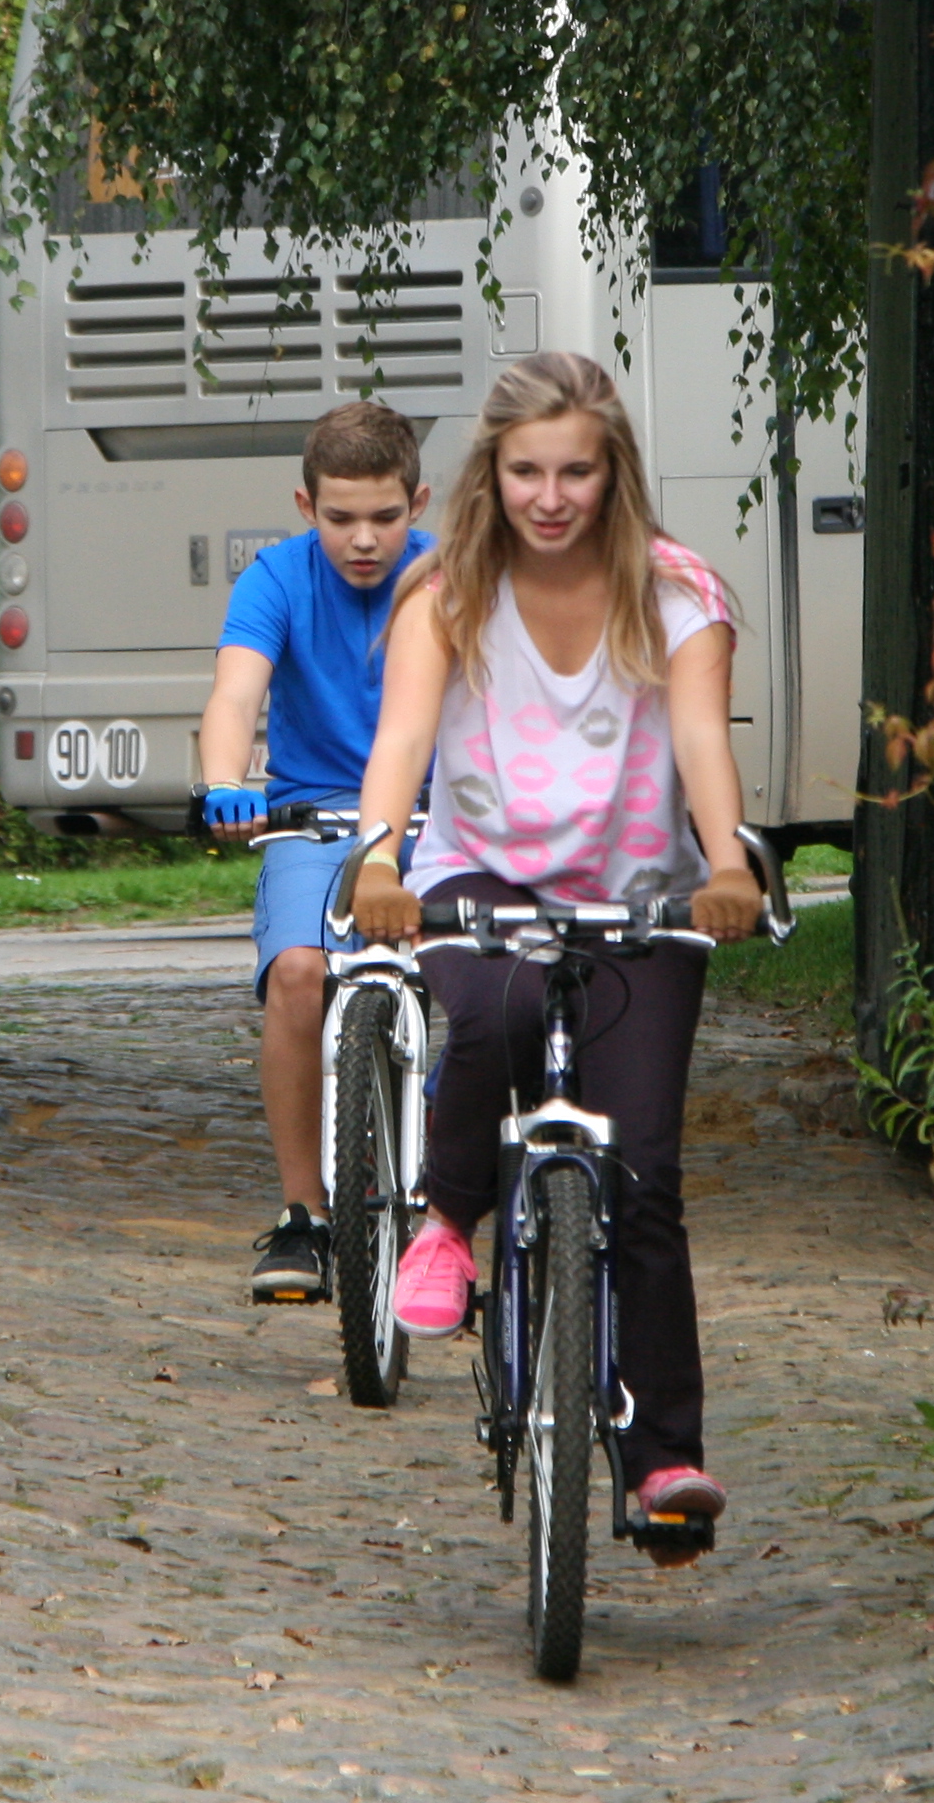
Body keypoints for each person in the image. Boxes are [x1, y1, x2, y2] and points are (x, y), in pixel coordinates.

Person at [345, 350, 762, 1558]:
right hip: (483, 875)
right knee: (496, 1012)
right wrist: (379, 861)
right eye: (527, 471)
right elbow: (402, 740)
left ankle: (665, 1462)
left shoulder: (679, 594)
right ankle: (445, 1219)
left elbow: (700, 739)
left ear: (613, 471)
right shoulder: (446, 596)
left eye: (576, 471)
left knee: (646, 1177)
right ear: (493, 473)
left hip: (641, 893)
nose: (550, 497)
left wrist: (726, 865)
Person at [196, 399, 434, 1304]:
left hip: (437, 818)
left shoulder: (450, 577)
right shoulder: (275, 579)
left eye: (385, 516)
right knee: (298, 974)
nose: (363, 540)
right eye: (340, 518)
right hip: (316, 819)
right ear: (306, 506)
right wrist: (227, 782)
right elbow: (234, 693)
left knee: (488, 984)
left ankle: (447, 1203)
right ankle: (305, 1215)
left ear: (418, 502)